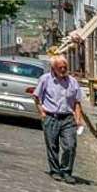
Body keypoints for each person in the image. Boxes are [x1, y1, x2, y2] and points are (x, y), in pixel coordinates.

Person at [35, 54, 85, 182]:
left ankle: (66, 171)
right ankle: (55, 170)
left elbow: (77, 102)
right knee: (52, 145)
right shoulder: (45, 80)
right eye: (60, 67)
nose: (63, 70)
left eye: (65, 67)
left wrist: (78, 119)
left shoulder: (72, 82)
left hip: (67, 118)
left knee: (70, 145)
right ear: (53, 68)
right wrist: (42, 113)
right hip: (51, 116)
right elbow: (36, 97)